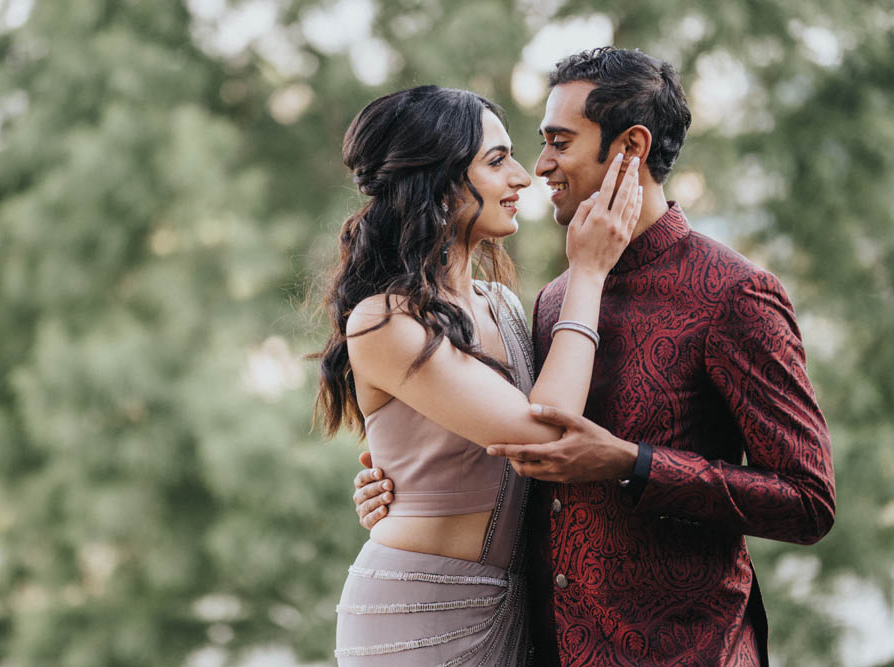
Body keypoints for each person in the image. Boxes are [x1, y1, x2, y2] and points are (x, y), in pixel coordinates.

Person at [353, 48, 836, 666]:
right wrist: (393, 476)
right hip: (533, 645)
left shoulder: (732, 294)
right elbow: (501, 434)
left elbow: (807, 501)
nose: (540, 167)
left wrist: (633, 465)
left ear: (630, 148)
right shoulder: (555, 300)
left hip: (684, 652)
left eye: (558, 142)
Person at [315, 84, 643, 665]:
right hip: (416, 614)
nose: (522, 176)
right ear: (438, 184)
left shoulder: (504, 306)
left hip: (510, 606)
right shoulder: (385, 320)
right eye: (497, 161)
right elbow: (545, 439)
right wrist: (587, 273)